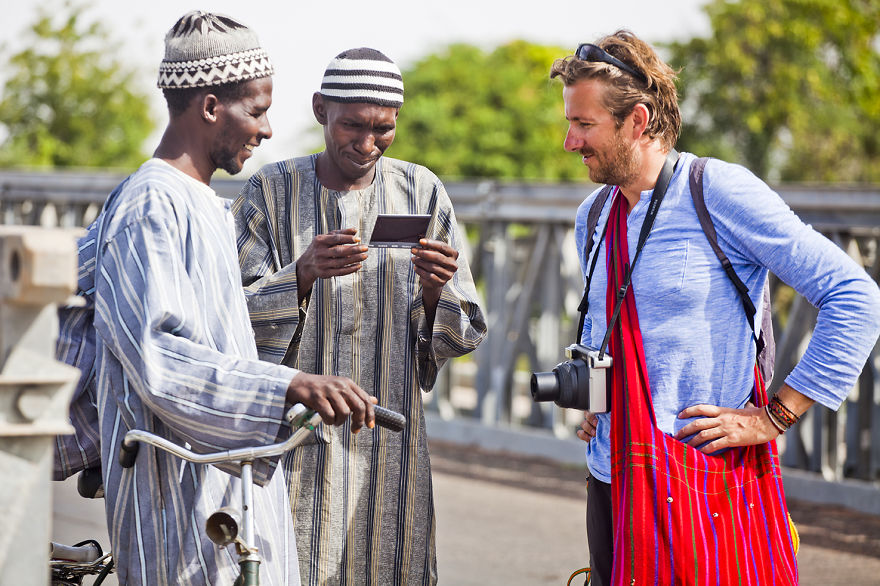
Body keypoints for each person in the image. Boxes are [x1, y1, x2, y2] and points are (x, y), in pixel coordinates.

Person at [550, 30, 880, 585]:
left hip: (705, 479)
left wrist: (775, 416)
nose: (569, 141)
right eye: (570, 123)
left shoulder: (717, 192)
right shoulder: (595, 214)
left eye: (584, 125)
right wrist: (596, 394)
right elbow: (613, 328)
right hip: (612, 477)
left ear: (637, 120)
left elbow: (856, 296)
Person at [60, 12, 377, 585]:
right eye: (256, 111)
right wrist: (287, 385)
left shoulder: (204, 203)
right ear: (210, 107)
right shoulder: (151, 204)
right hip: (176, 503)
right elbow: (160, 361)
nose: (268, 130)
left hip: (219, 491)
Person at [232, 47, 487, 585]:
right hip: (294, 444)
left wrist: (436, 290)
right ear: (320, 108)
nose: (367, 143)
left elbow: (463, 331)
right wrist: (300, 274)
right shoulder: (269, 191)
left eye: (384, 128)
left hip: (390, 443)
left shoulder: (422, 189)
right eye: (352, 125)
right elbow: (227, 322)